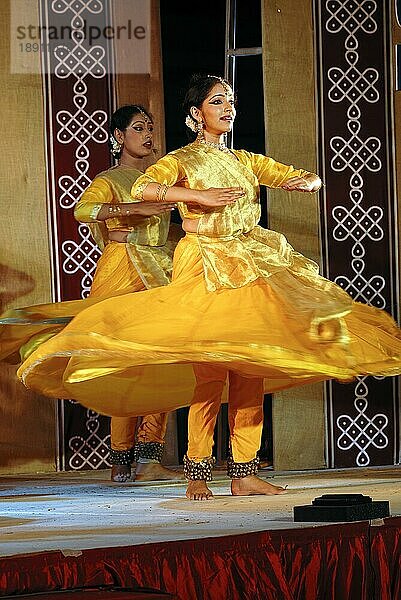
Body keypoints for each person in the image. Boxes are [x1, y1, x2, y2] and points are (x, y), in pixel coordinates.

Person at [16, 75, 401, 502]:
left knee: (250, 365)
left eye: (231, 101)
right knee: (210, 368)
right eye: (218, 101)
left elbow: (295, 175)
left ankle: (244, 472)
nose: (228, 107)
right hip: (204, 263)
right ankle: (196, 472)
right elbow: (145, 188)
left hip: (251, 261)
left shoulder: (245, 159)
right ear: (196, 115)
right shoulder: (181, 159)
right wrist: (196, 197)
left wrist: (303, 182)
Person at [74, 104, 184, 483]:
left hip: (159, 270)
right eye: (138, 128)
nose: (148, 134)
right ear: (119, 136)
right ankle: (121, 458)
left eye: (151, 127)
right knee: (122, 363)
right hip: (122, 271)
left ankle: (149, 458)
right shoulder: (111, 179)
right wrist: (134, 210)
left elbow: (168, 226)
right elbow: (82, 210)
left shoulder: (161, 178)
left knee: (164, 360)